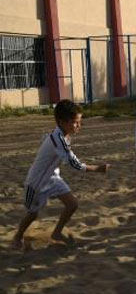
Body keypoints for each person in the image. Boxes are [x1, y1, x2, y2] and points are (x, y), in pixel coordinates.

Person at [11, 100, 109, 249]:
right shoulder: (59, 139)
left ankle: (56, 233)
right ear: (62, 122)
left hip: (53, 178)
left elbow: (45, 139)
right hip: (36, 184)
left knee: (72, 205)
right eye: (75, 122)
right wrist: (97, 169)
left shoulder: (61, 133)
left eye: (79, 121)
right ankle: (17, 237)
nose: (79, 126)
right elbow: (74, 164)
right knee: (32, 214)